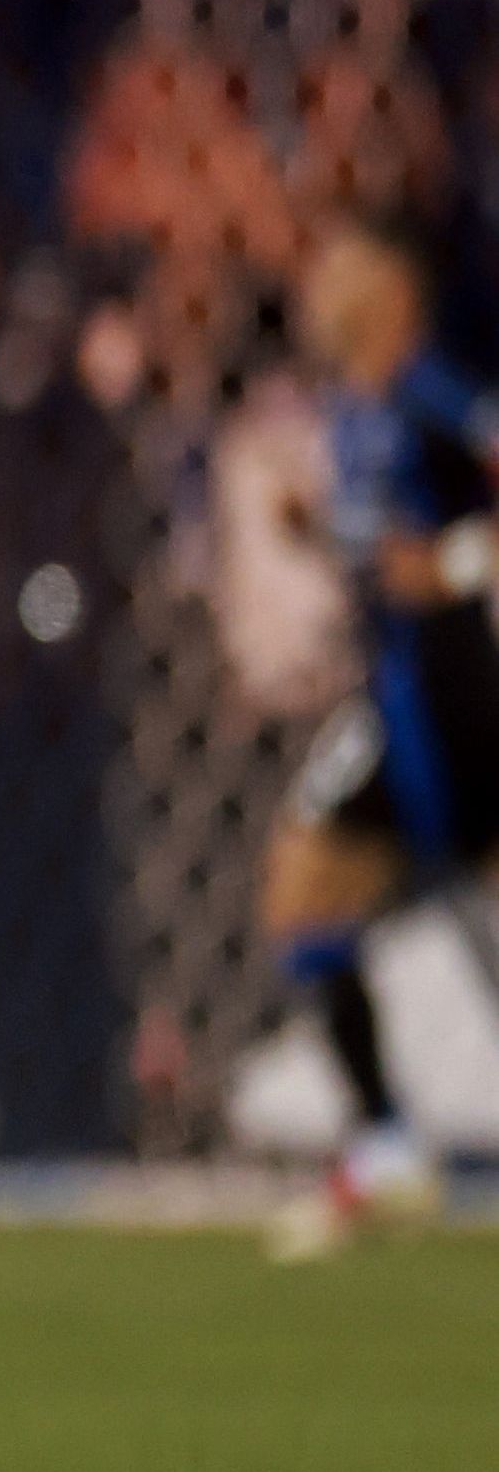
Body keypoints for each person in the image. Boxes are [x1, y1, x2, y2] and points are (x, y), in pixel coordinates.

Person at [259, 226, 499, 1261]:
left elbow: (443, 542)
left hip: (462, 687)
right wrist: (315, 529)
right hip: (397, 695)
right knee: (303, 890)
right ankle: (387, 1141)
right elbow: (379, 541)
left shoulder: (431, 394)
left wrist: (450, 561)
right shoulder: (350, 414)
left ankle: (388, 1142)